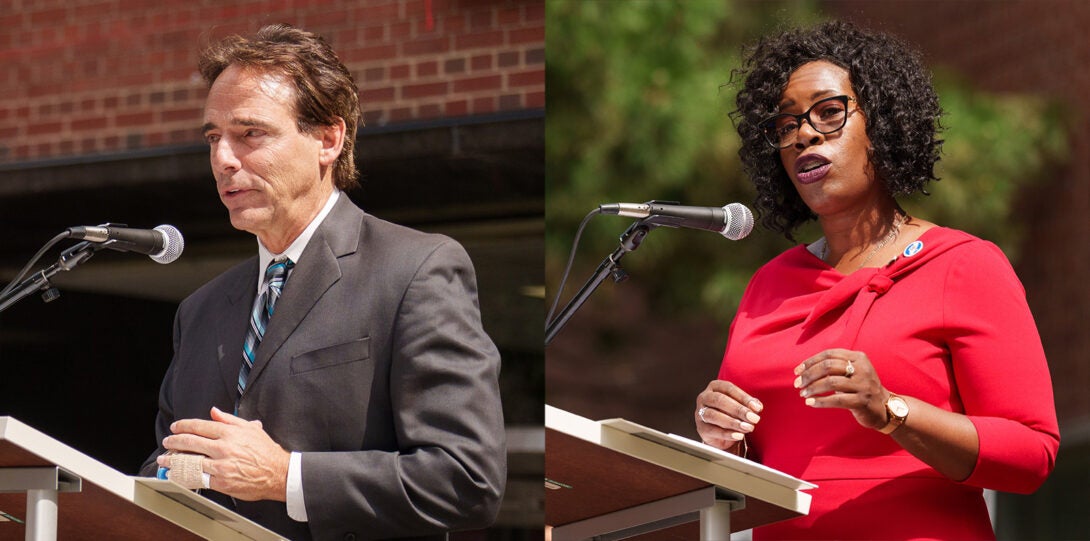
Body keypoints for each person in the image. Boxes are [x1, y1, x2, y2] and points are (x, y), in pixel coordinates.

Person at [139, 24, 506, 540]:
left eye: (251, 134)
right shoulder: (200, 309)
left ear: (328, 140)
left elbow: (467, 480)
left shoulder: (416, 271)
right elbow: (169, 464)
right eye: (213, 137)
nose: (223, 158)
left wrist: (285, 477)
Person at [694, 21, 1058, 540]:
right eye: (786, 125)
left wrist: (891, 410)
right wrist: (722, 440)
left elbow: (1032, 453)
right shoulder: (769, 285)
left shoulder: (962, 265)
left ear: (883, 123)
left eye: (829, 112)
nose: (805, 135)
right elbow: (766, 460)